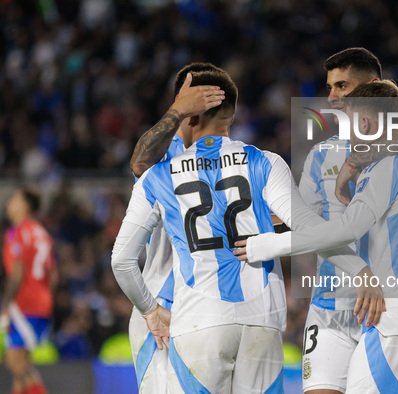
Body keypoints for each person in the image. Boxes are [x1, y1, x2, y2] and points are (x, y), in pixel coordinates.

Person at [112, 66, 383, 392]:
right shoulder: (264, 162)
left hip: (191, 316)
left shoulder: (160, 171)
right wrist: (359, 269)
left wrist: (149, 311)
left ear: (188, 113)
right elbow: (311, 229)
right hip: (261, 316)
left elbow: (122, 257)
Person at [235, 81, 398, 393]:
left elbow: (345, 230)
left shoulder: (386, 167)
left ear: (365, 123)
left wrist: (270, 243)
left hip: (394, 325)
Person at [298, 47, 398, 394]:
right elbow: (306, 225)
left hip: (384, 307)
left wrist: (353, 164)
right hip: (330, 306)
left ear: (371, 87)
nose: (332, 96)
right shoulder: (320, 154)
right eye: (330, 87)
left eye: (342, 86)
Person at [126, 62, 226, 393]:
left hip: (208, 309)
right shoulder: (168, 154)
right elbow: (139, 163)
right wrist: (178, 110)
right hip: (160, 309)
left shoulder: (226, 158)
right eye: (203, 96)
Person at [0, 187, 57, 394]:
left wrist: (6, 305)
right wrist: (45, 298)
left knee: (15, 362)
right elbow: (53, 274)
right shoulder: (42, 233)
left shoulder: (17, 231)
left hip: (24, 303)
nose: (8, 205)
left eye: (13, 200)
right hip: (42, 303)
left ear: (24, 205)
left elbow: (17, 273)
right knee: (21, 361)